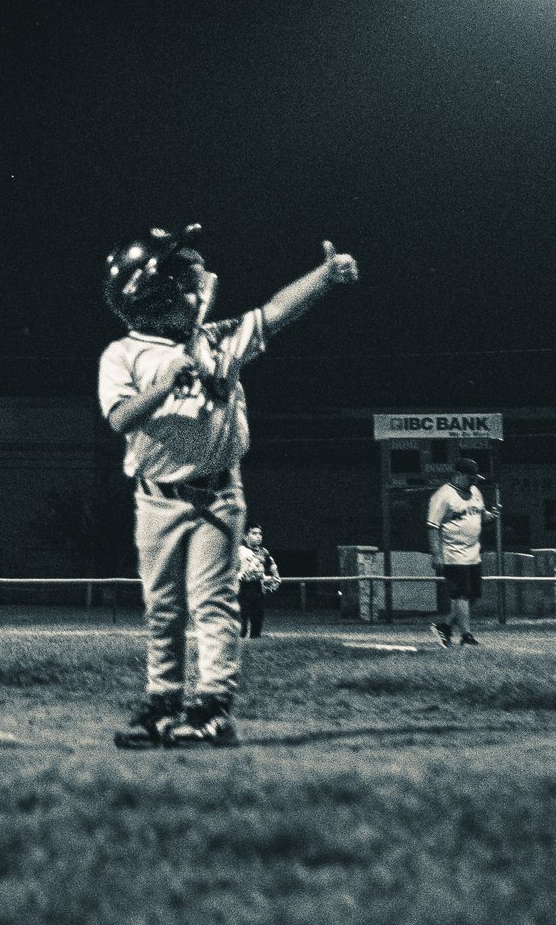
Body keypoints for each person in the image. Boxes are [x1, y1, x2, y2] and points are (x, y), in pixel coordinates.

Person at [101, 226, 358, 746]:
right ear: (161, 294)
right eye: (185, 280)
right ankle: (162, 704)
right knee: (165, 609)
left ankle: (212, 708)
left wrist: (325, 277)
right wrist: (163, 385)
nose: (198, 286)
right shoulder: (123, 354)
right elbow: (121, 418)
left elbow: (276, 311)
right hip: (157, 500)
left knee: (214, 602)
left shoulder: (216, 339)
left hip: (219, 495)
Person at [427, 456, 497, 647]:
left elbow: (480, 514)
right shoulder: (442, 496)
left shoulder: (475, 491)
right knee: (461, 595)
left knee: (472, 596)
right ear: (458, 474)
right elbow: (433, 527)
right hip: (453, 553)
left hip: (474, 553)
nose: (474, 481)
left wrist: (490, 516)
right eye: (470, 477)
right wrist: (436, 554)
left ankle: (445, 627)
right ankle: (466, 636)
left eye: (475, 477)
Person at [236, 524, 280, 641]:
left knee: (258, 614)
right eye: (254, 533)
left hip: (257, 587)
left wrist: (275, 577)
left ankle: (256, 636)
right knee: (242, 614)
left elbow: (272, 565)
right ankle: (241, 636)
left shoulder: (264, 552)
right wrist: (238, 575)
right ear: (245, 536)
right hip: (243, 588)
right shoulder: (240, 551)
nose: (258, 536)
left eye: (260, 534)